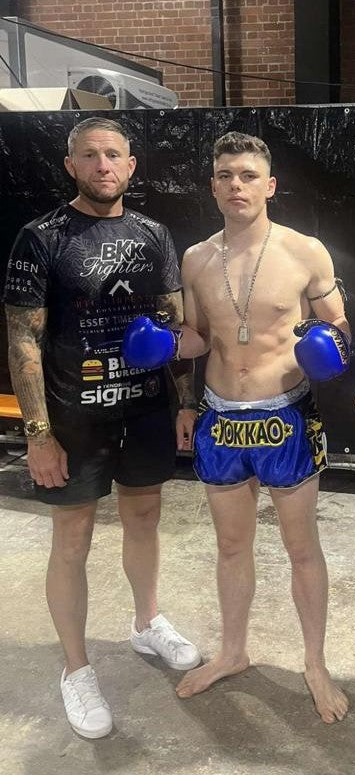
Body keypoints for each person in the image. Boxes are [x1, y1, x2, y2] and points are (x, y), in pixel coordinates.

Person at [2, 117, 200, 740]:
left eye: (113, 154)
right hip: (73, 417)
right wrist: (38, 433)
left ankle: (146, 623)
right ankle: (76, 668)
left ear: (131, 166)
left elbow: (172, 324)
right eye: (89, 155)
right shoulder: (41, 237)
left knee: (144, 518)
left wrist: (186, 403)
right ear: (71, 166)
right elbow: (23, 339)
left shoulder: (153, 235)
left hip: (144, 409)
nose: (103, 165)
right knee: (72, 539)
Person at [167, 131, 350, 724]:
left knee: (301, 547)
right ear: (213, 186)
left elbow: (340, 325)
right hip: (221, 416)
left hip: (285, 415)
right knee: (230, 545)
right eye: (225, 175)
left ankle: (315, 664)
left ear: (269, 185)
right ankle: (233, 651)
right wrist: (166, 347)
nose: (236, 185)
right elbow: (199, 338)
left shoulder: (305, 251)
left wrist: (328, 346)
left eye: (248, 175)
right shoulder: (196, 258)